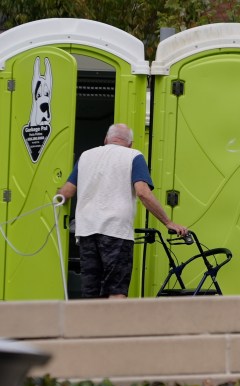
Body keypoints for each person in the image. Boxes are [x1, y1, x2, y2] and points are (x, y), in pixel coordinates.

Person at [58, 123, 188, 299]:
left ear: (106, 139)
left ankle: (89, 326)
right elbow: (143, 192)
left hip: (87, 231)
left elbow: (66, 193)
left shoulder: (86, 156)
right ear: (130, 143)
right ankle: (113, 327)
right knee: (116, 290)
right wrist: (168, 222)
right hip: (116, 232)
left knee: (90, 291)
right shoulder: (134, 156)